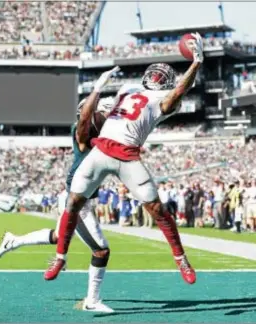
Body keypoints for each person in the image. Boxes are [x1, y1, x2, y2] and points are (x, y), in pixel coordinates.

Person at [45, 33, 204, 284]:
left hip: (128, 154)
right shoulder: (126, 89)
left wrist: (195, 63)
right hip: (101, 151)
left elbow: (176, 95)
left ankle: (181, 258)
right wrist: (97, 90)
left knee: (157, 209)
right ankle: (60, 256)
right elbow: (87, 118)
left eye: (162, 77)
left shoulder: (165, 100)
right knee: (73, 202)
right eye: (155, 73)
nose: (156, 78)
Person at [0, 66, 119, 313]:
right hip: (78, 201)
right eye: (103, 113)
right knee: (101, 250)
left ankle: (14, 241)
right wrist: (99, 91)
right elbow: (90, 122)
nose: (107, 116)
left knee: (59, 236)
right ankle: (92, 300)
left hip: (80, 198)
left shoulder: (102, 135)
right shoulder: (82, 132)